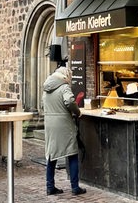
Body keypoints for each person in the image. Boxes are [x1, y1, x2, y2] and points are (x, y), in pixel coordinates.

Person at [42, 66, 85, 196]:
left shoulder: (46, 87)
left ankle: (50, 186)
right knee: (72, 153)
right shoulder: (64, 86)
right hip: (64, 124)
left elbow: (43, 103)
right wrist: (77, 112)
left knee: (51, 154)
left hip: (50, 123)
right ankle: (75, 187)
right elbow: (70, 101)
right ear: (66, 76)